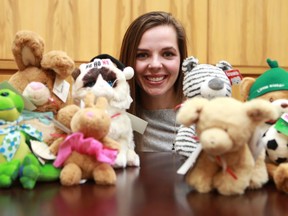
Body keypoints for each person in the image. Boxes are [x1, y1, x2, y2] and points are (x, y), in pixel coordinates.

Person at [119, 11, 188, 152]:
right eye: (142, 55)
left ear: (182, 59)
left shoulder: (204, 117)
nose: (155, 65)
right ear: (128, 61)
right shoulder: (114, 118)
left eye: (167, 54)